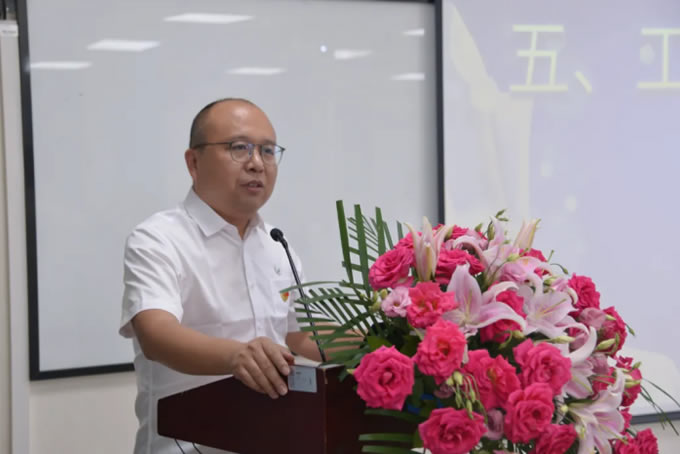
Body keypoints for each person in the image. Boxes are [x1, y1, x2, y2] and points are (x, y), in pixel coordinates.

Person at [119, 98, 323, 454]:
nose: (257, 163)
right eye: (239, 148)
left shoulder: (276, 243)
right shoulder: (158, 238)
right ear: (193, 162)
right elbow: (156, 334)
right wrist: (236, 356)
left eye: (268, 151)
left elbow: (301, 334)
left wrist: (384, 342)